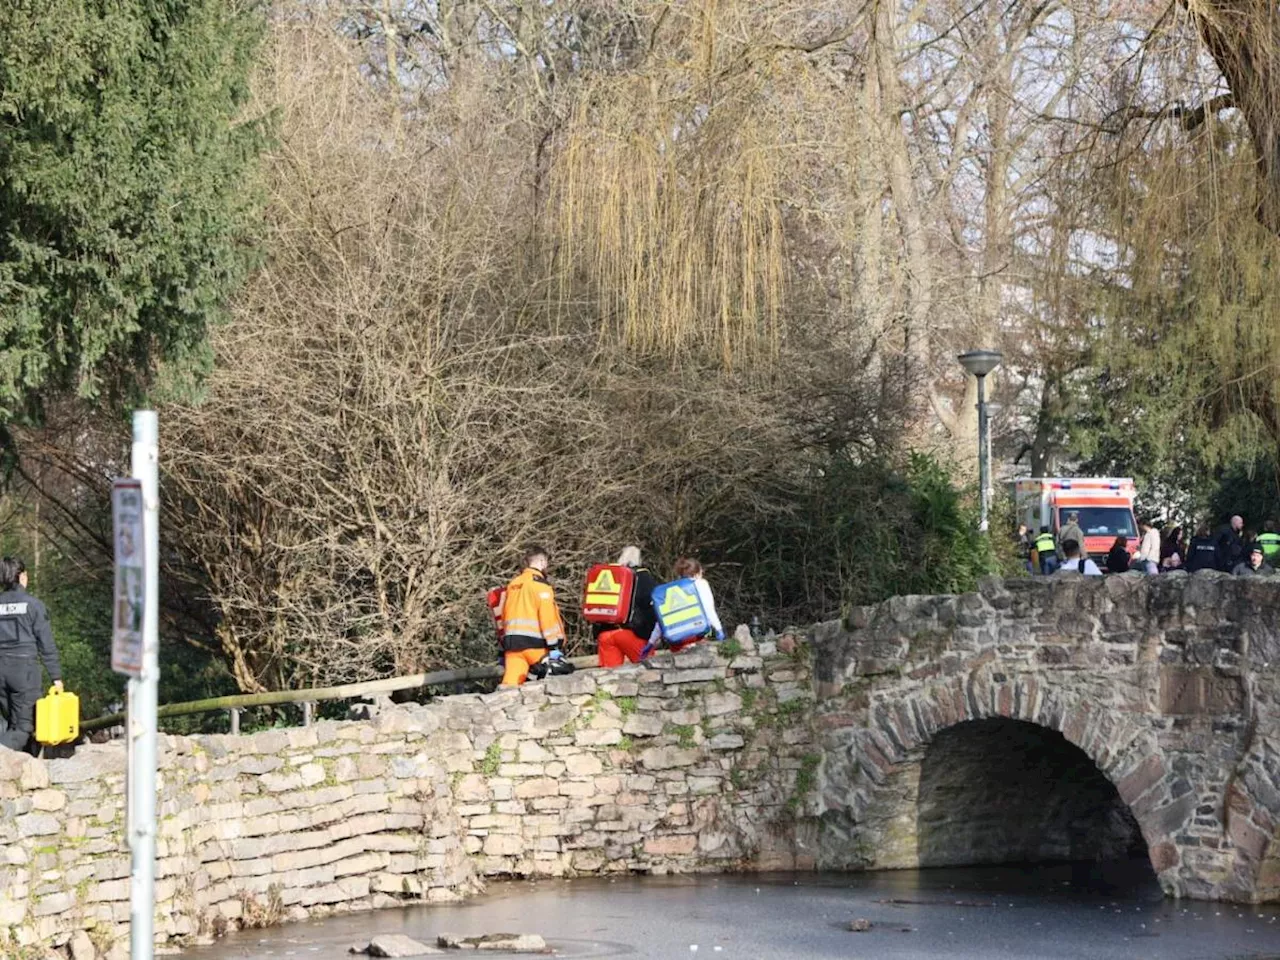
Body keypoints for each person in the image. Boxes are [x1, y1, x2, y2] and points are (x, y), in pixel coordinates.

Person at [0, 557, 63, 753]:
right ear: (22, 577)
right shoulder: (33, 605)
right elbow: (46, 644)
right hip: (24, 672)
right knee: (23, 728)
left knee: (12, 723)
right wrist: (56, 677)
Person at [498, 546, 567, 687]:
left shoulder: (513, 584)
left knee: (509, 687)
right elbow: (547, 617)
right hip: (537, 647)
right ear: (542, 562)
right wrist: (554, 646)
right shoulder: (540, 586)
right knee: (557, 682)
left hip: (513, 646)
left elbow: (504, 614)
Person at [595, 546, 660, 668]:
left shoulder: (609, 574)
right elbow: (650, 606)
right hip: (632, 634)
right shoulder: (643, 576)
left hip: (605, 633)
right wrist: (652, 636)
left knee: (609, 679)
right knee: (650, 672)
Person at [669, 557, 725, 647]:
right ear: (697, 573)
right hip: (698, 630)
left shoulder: (675, 587)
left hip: (680, 633)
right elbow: (708, 609)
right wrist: (718, 628)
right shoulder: (701, 584)